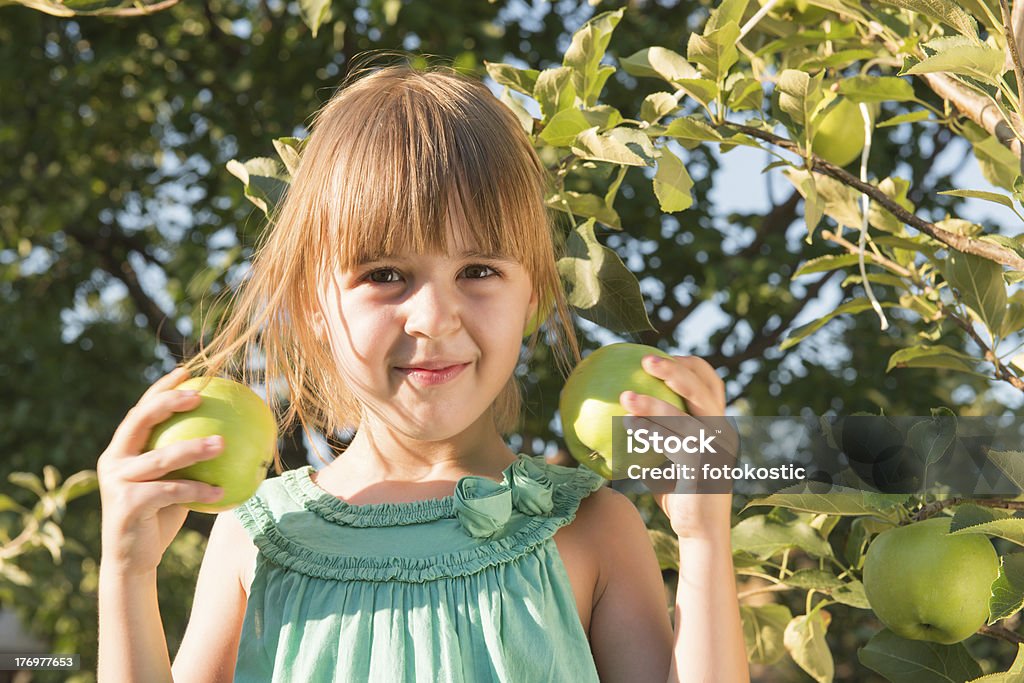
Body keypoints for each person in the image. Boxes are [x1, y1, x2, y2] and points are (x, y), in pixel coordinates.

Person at [96, 56, 749, 682]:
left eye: (479, 271)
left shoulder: (593, 531)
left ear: (535, 296)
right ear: (310, 305)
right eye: (385, 275)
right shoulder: (259, 539)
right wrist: (127, 570)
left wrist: (704, 541)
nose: (434, 317)